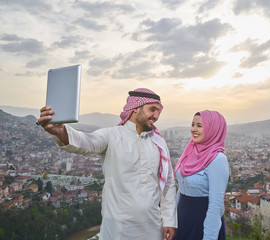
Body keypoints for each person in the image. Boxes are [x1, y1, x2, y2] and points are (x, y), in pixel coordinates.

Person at [37, 88, 177, 240]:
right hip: (118, 228)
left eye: (158, 111)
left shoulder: (159, 142)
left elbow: (168, 183)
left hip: (152, 226)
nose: (156, 116)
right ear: (135, 108)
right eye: (152, 110)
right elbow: (86, 142)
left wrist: (169, 220)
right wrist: (61, 131)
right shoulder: (111, 135)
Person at [173, 110, 229, 240]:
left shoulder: (218, 159)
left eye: (199, 126)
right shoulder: (189, 151)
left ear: (213, 129)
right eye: (192, 125)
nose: (193, 129)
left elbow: (216, 206)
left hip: (202, 224)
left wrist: (209, 237)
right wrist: (173, 221)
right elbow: (181, 189)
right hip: (181, 220)